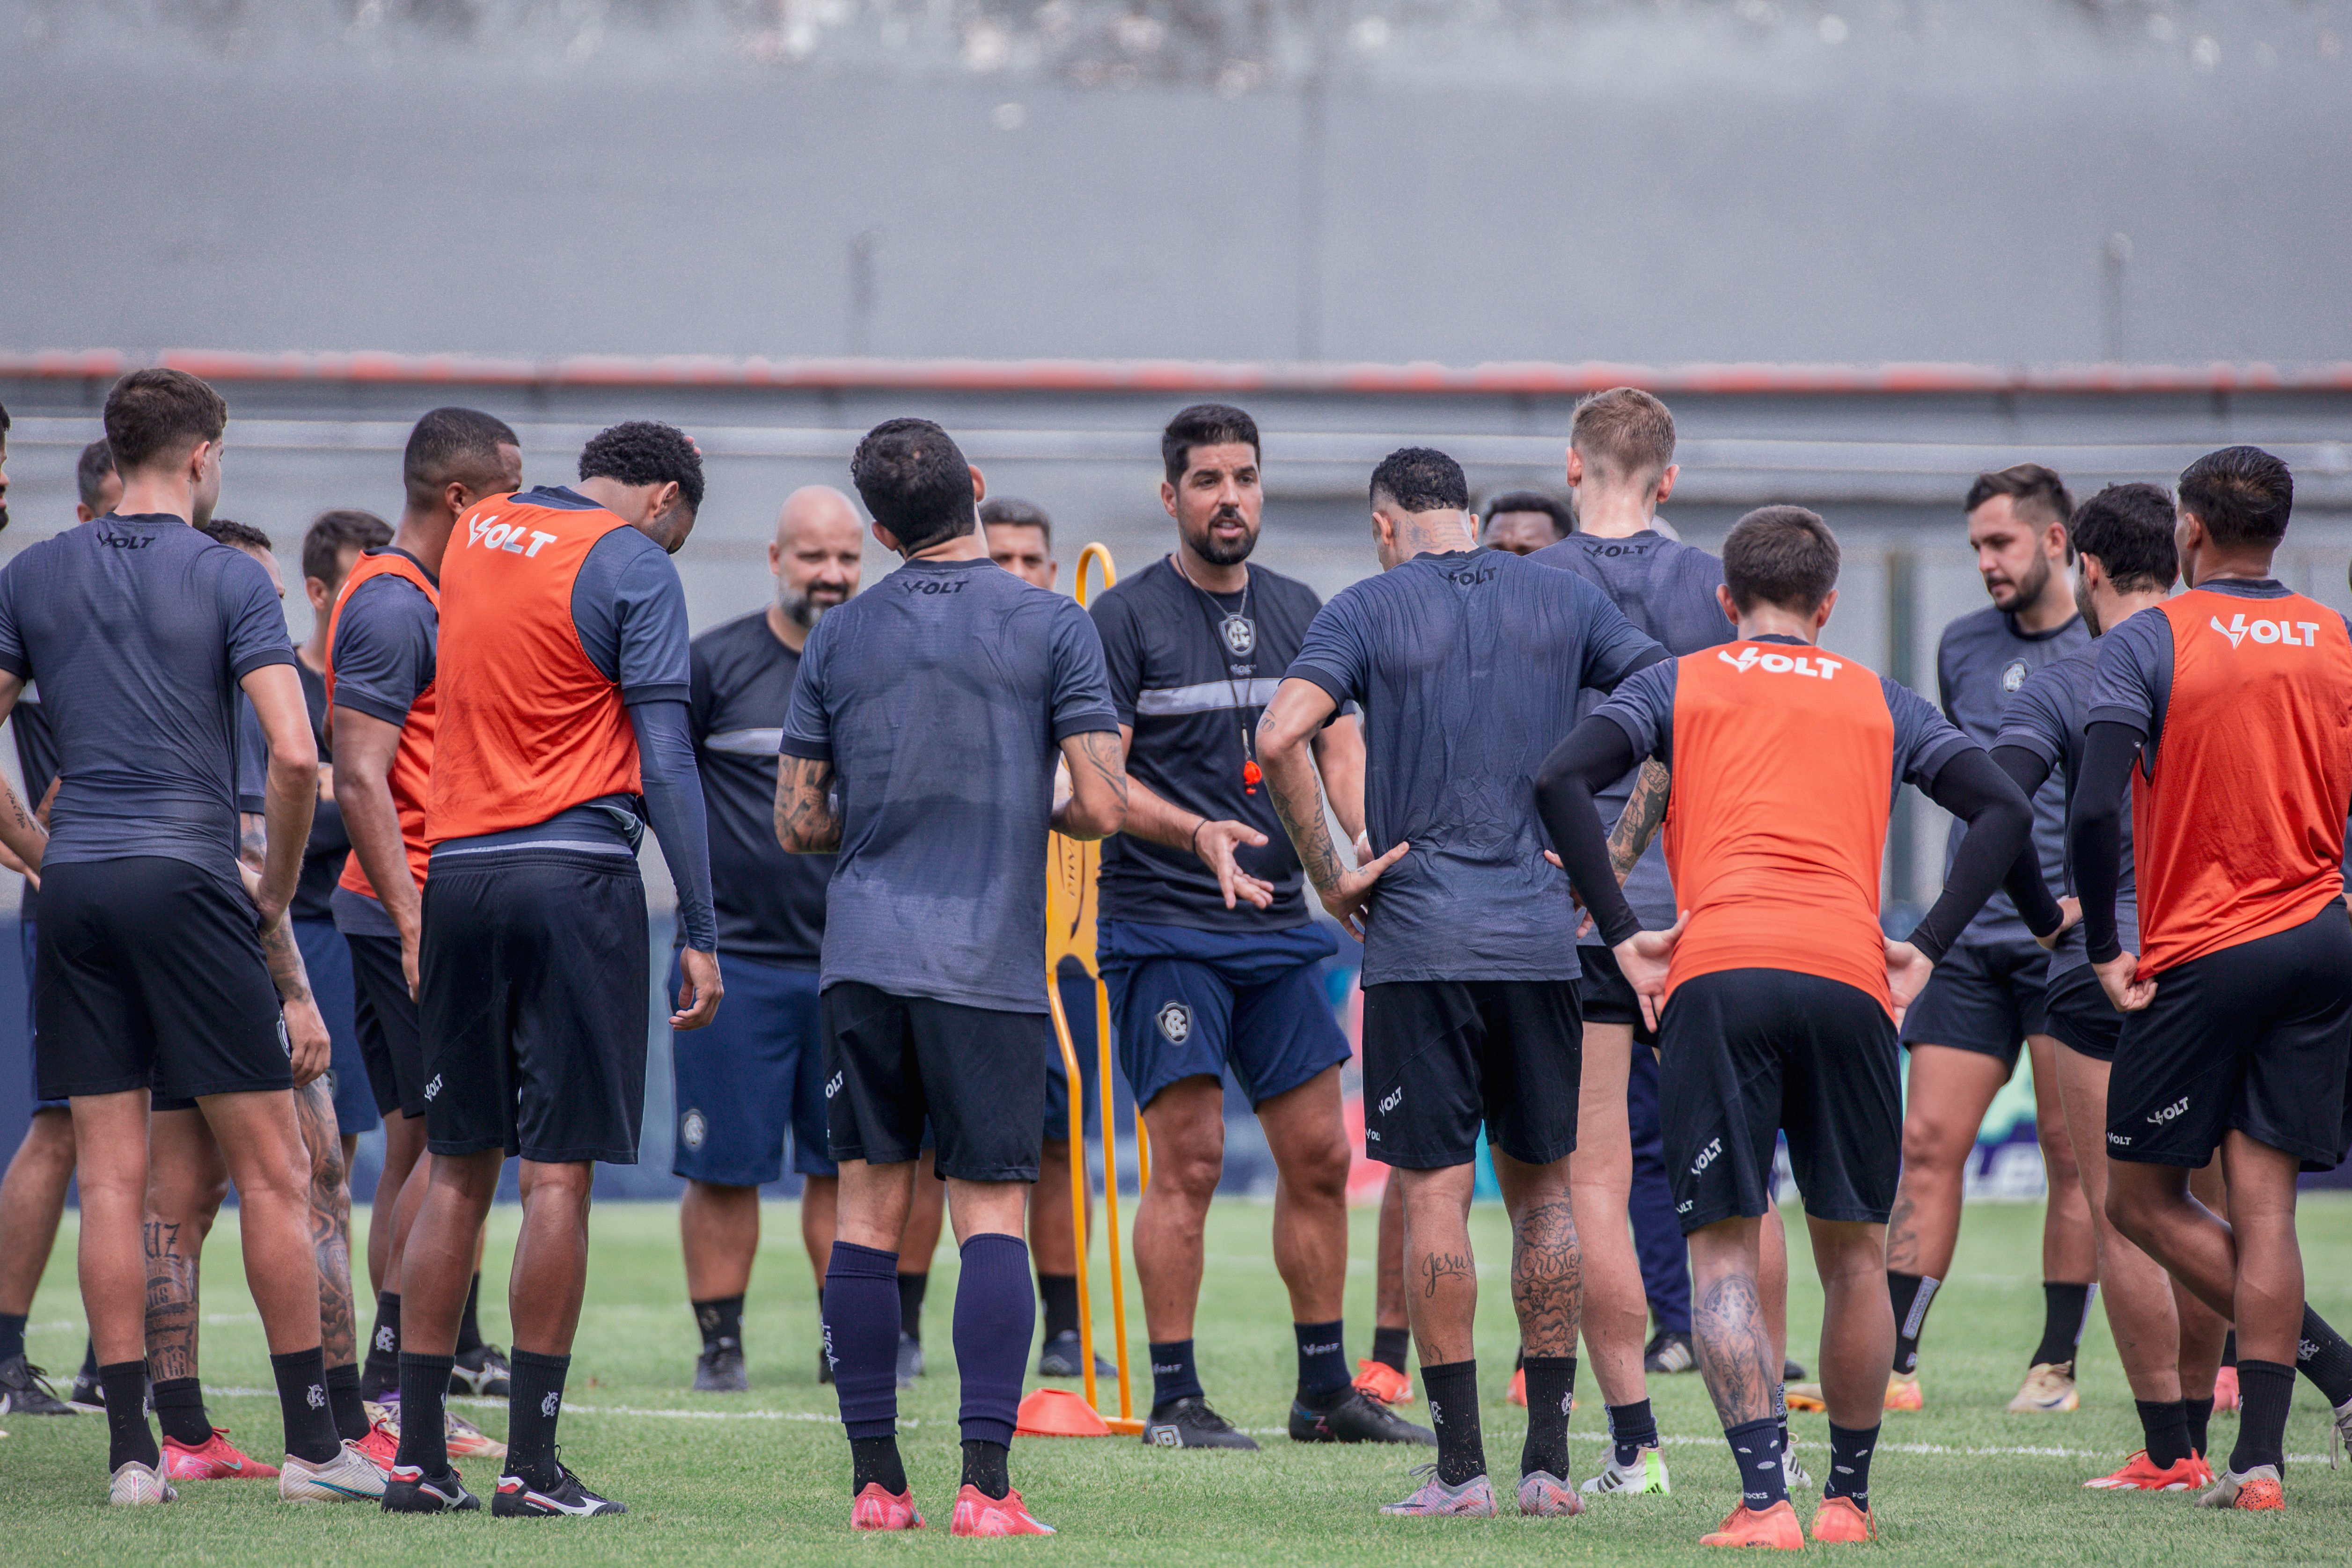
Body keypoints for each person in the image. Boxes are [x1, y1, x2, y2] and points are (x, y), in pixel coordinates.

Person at [1536, 504, 2032, 1547]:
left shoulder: (1679, 680)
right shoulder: (1879, 697)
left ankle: (1764, 1501)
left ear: (1724, 602)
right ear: (1827, 605)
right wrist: (1928, 943)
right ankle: (1845, 1502)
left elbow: (1559, 779)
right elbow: (2000, 808)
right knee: (1852, 1256)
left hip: (1719, 974)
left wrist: (1625, 933)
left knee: (1721, 1253)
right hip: (1850, 975)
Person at [1258, 445, 1670, 1518]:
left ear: (1385, 523)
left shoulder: (1365, 605)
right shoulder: (1560, 595)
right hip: (1538, 945)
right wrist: (1606, 864)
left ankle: (1459, 1473)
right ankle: (1543, 1468)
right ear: (1472, 516)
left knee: (1434, 1191)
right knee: (1544, 1192)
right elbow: (1676, 707)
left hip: (1419, 943)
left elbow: (1276, 736)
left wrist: (1335, 876)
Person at [0, 368, 381, 1505]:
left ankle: (132, 1457)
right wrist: (263, 901)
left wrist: (37, 855)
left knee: (110, 1182)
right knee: (273, 1171)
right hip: (190, 875)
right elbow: (296, 752)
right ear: (206, 452)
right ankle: (317, 1449)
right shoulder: (227, 575)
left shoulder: (31, 571)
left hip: (76, 888)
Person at [776, 418, 1126, 1536]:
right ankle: (984, 1488)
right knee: (990, 1219)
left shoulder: (837, 635)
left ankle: (878, 1488)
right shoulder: (1052, 622)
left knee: (868, 1218)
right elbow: (1104, 805)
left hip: (862, 961)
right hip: (986, 964)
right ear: (975, 491)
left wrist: (880, 819)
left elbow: (798, 819)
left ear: (875, 530)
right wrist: (1029, 806)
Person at [382, 420, 721, 1518]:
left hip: (461, 879)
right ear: (665, 500)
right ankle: (529, 1466)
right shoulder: (631, 563)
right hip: (574, 877)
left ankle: (416, 1460)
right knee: (558, 1175)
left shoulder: (474, 531)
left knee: (456, 1166)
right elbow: (665, 758)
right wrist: (702, 927)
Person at [1089, 406, 1426, 1451]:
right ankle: (1177, 1398)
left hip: (1282, 927)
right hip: (1164, 926)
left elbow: (1335, 750)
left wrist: (1375, 844)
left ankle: (1324, 1393)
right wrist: (1196, 835)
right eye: (1205, 481)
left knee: (1321, 1155)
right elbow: (1096, 781)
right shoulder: (1124, 617)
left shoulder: (1301, 609)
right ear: (1169, 497)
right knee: (1184, 1161)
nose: (1227, 497)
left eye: (1243, 477)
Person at [2073, 446, 2352, 1511]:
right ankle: (2262, 1463)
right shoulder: (2331, 636)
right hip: (2318, 939)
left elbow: (2095, 807)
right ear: (2277, 531)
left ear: (2188, 529)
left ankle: (2327, 1372)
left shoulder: (2152, 635)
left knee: (2138, 1197)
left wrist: (2104, 943)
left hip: (2205, 947)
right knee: (2267, 1206)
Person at [1985, 483, 2235, 1492]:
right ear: (2177, 555)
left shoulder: (2068, 677)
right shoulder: (2223, 656)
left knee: (2120, 1206)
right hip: (2227, 950)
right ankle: (2230, 1431)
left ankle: (2169, 1450)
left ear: (2083, 567)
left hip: (2104, 959)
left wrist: (2049, 915)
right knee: (2216, 1201)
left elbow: (1993, 803)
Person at [1526, 387, 1727, 1495]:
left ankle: (1636, 1446)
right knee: (1740, 1192)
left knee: (1589, 1183)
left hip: (1577, 917)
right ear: (1670, 476)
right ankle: (1773, 1436)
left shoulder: (1533, 581)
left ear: (1571, 464)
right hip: (1707, 913)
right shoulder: (1715, 586)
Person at [1875, 464, 2096, 1416]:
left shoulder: (2113, 644)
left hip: (2072, 937)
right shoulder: (1961, 644)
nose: (1983, 563)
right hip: (1967, 935)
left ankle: (2053, 1366)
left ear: (2055, 541)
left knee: (2067, 1150)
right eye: (1972, 546)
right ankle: (1893, 1360)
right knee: (1924, 1140)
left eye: (1999, 543)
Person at [334, 410, 524, 1414]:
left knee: (420, 1148)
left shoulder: (432, 598)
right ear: (460, 498)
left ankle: (397, 1385)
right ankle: (392, 1387)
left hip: (415, 901)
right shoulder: (394, 603)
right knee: (451, 1151)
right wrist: (413, 921)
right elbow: (357, 778)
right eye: (509, 490)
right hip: (401, 907)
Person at [674, 484, 863, 1392]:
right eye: (813, 557)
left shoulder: (879, 664)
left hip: (852, 962)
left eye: (847, 558)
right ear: (775, 559)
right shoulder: (713, 665)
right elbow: (664, 797)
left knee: (845, 1166)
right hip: (736, 963)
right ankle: (720, 1345)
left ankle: (843, 1344)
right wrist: (692, 929)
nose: (831, 576)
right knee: (723, 1168)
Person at [981, 496, 1117, 1382]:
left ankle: (1067, 1327)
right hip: (965, 936)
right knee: (923, 1148)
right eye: (1004, 559)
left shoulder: (1071, 654)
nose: (1022, 576)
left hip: (1065, 932)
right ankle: (909, 1323)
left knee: (1063, 1138)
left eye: (1036, 559)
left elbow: (1105, 790)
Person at [0, 436, 116, 1420]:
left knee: (145, 1139)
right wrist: (39, 849)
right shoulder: (47, 600)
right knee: (61, 1126)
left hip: (139, 887)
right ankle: (5, 1353)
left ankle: (109, 1366)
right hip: (78, 891)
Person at [296, 510, 393, 1175]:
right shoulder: (274, 687)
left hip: (363, 931)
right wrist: (361, 791)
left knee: (338, 1153)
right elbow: (270, 822)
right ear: (317, 592)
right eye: (359, 585)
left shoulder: (394, 685)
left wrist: (336, 791)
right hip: (290, 928)